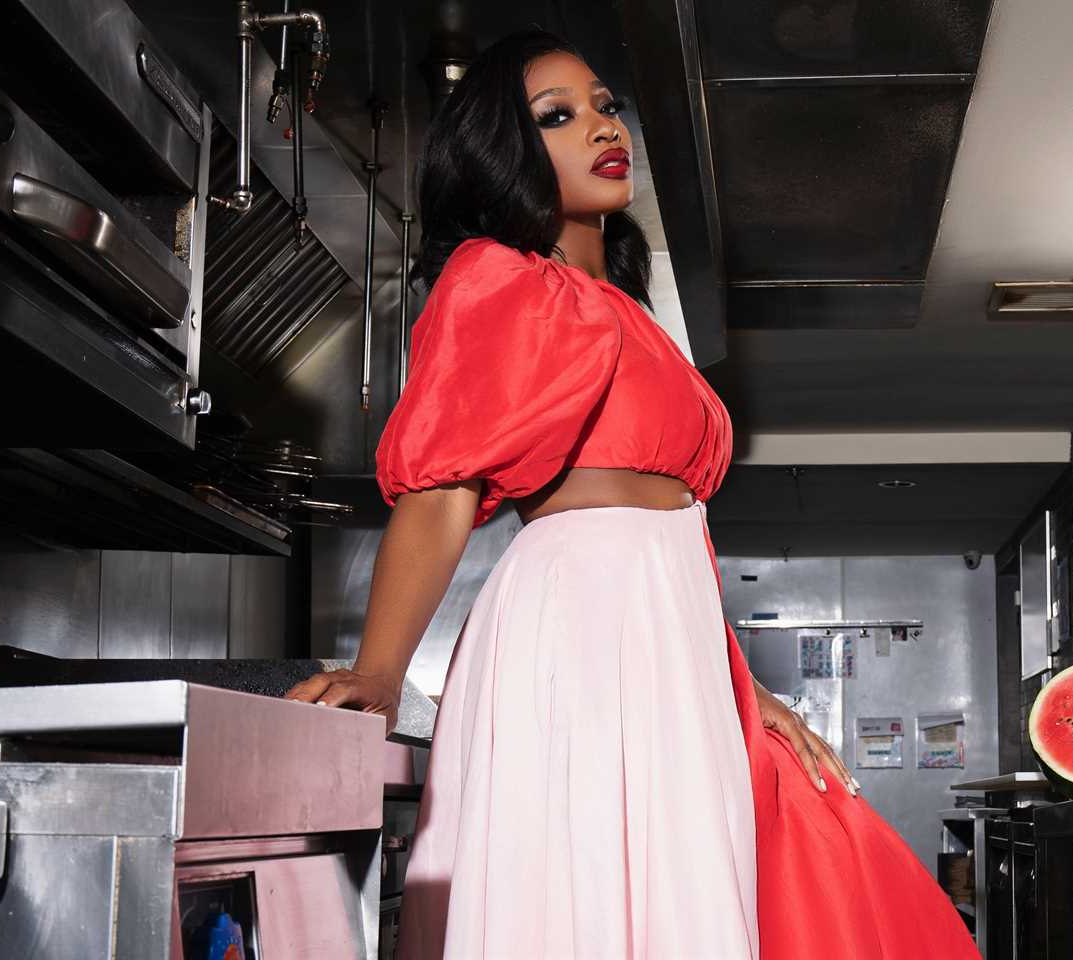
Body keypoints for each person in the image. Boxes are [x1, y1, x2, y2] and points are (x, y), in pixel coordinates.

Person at [287, 29, 979, 960]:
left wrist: (740, 683)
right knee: (581, 891)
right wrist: (377, 670)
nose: (603, 127)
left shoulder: (637, 319)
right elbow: (444, 484)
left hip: (675, 639)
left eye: (605, 106)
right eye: (559, 116)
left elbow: (676, 535)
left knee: (688, 892)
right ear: (505, 151)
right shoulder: (496, 278)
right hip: (578, 623)